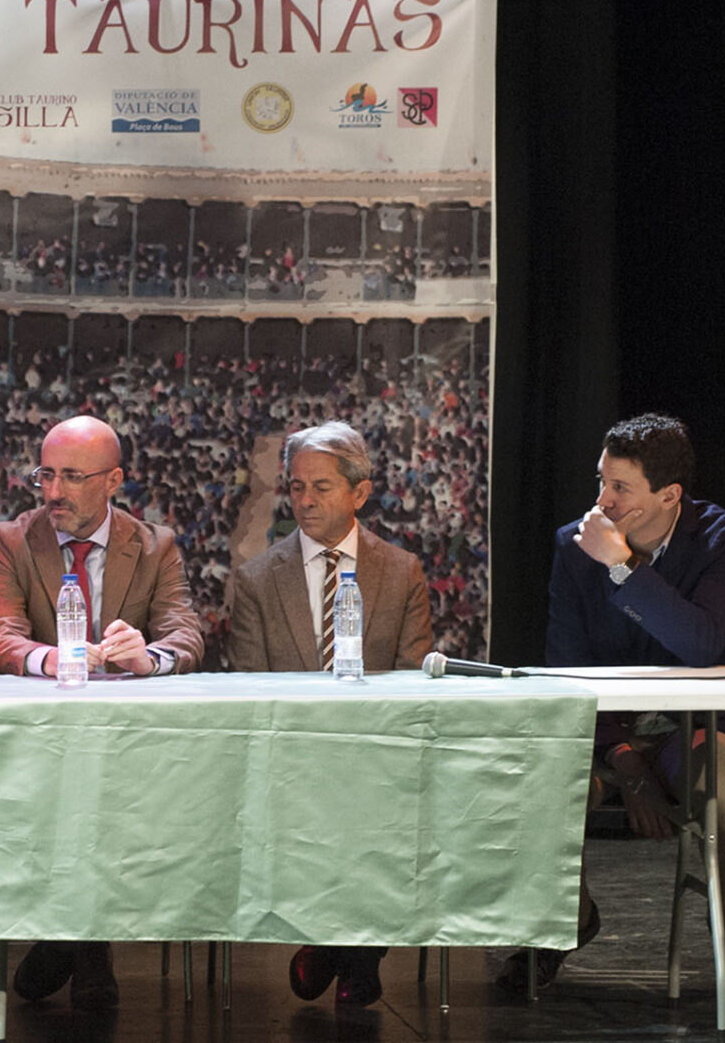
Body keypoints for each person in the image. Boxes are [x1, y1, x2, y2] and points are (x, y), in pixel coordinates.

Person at [515, 412, 725, 999]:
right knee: (539, 789)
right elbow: (567, 669)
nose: (602, 500)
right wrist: (626, 761)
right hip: (608, 734)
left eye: (620, 487)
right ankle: (563, 922)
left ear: (669, 496)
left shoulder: (718, 537)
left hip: (696, 726)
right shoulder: (572, 543)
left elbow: (702, 643)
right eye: (601, 482)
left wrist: (622, 566)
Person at [0, 414, 207, 1011]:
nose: (53, 492)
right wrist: (50, 659)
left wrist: (148, 658)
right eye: (45, 475)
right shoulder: (10, 540)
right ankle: (86, 948)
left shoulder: (156, 546)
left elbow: (185, 633)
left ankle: (71, 941)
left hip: (128, 748)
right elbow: (0, 634)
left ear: (114, 481)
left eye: (72, 477)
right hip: (41, 741)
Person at [224, 421, 433, 1008]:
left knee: (373, 805)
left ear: (359, 493)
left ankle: (341, 948)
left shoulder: (402, 571)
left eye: (321, 487)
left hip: (378, 758)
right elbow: (248, 688)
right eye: (296, 488)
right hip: (292, 761)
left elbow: (414, 678)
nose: (306, 501)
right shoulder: (258, 579)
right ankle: (353, 952)